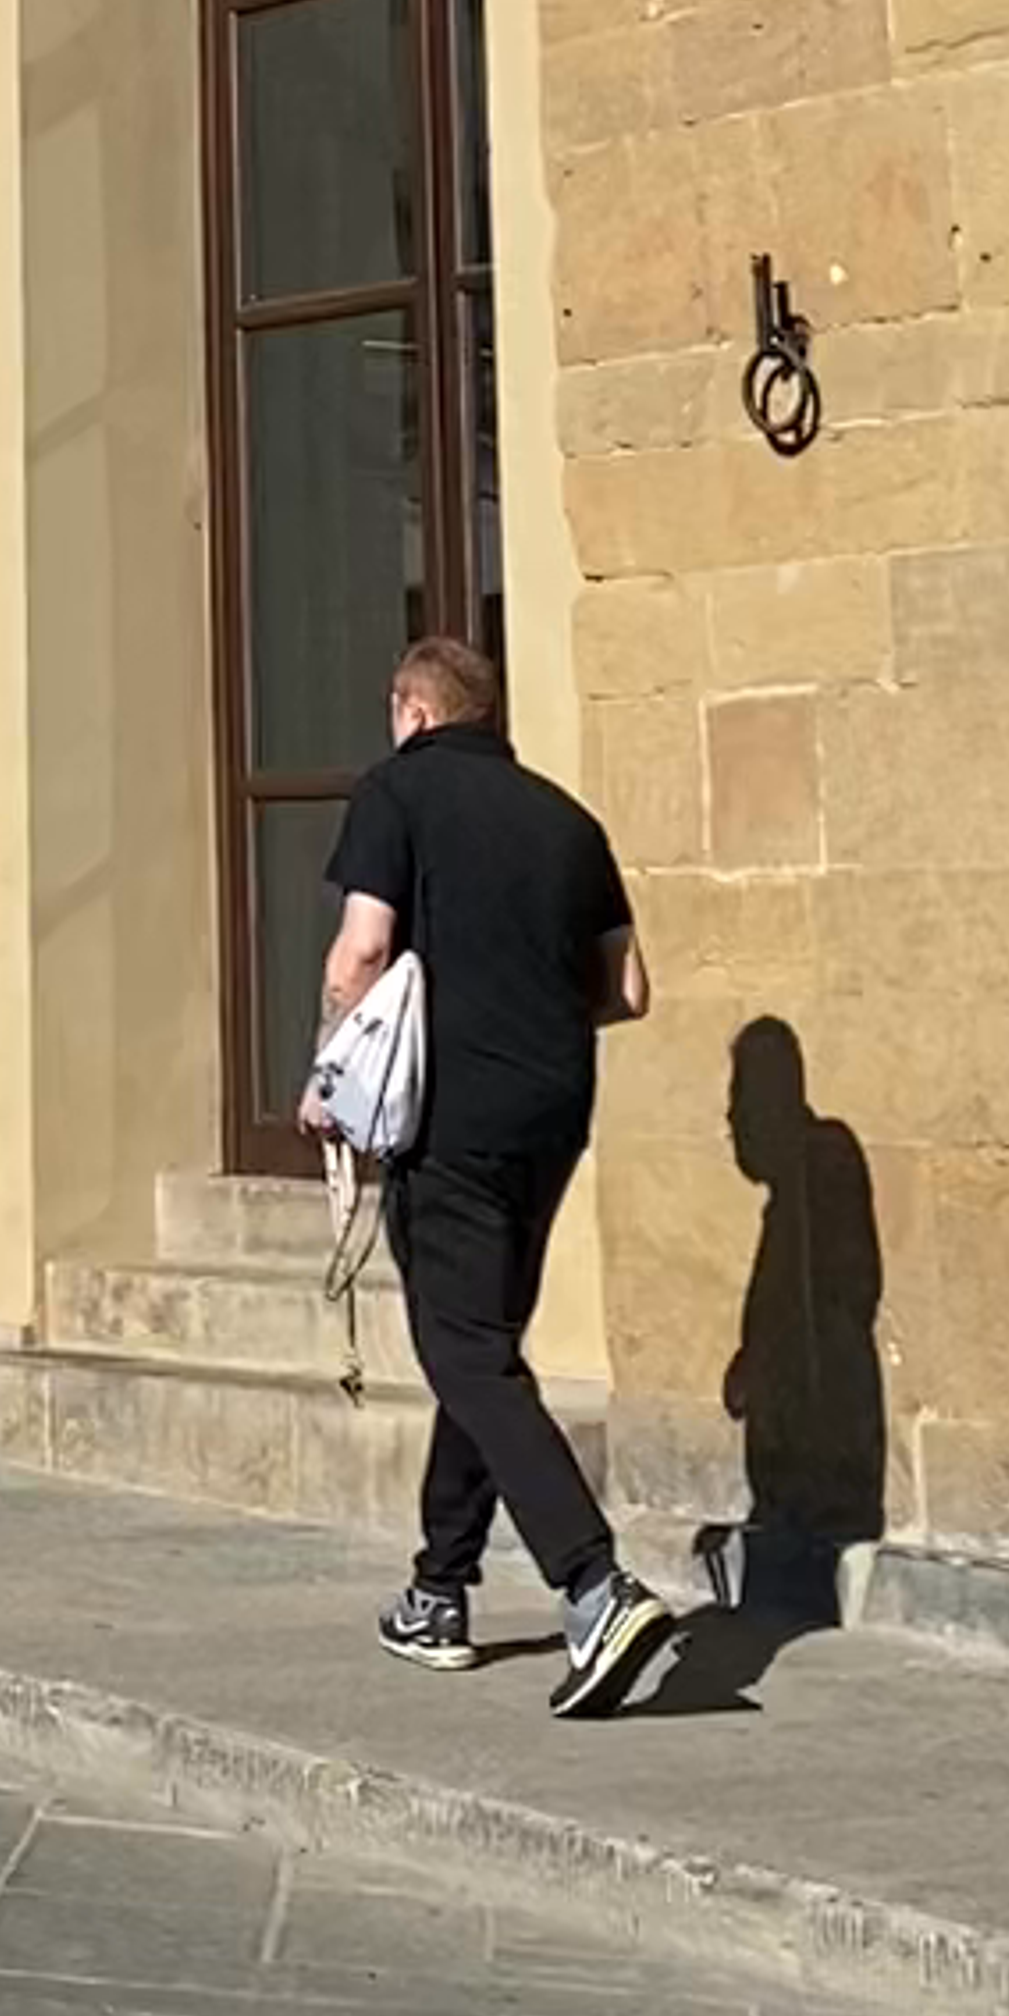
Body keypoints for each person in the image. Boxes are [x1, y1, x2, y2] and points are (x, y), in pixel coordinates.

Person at [310, 635, 681, 1720]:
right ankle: (439, 1589)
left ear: (411, 710)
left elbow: (361, 951)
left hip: (452, 1116)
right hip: (552, 1112)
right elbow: (629, 987)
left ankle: (593, 1582)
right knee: (485, 1347)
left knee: (461, 1348)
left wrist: (332, 1073)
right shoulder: (568, 817)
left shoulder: (397, 792)